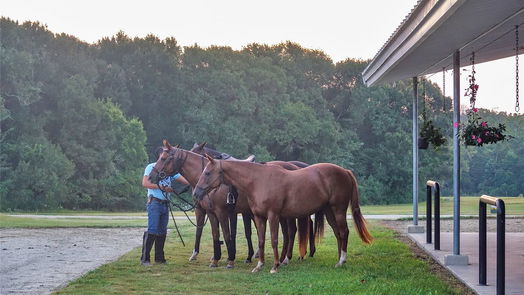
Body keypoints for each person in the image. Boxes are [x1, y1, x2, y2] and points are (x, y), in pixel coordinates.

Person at [140, 146, 189, 266]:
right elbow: (145, 183)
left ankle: (159, 258)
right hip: (155, 202)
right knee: (152, 230)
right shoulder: (151, 167)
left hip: (164, 204)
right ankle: (145, 259)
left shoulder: (169, 171)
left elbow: (185, 180)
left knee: (162, 231)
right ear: (160, 155)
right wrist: (162, 188)